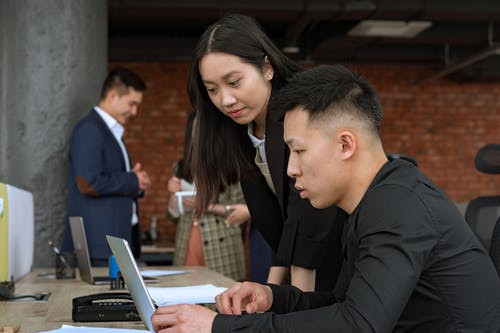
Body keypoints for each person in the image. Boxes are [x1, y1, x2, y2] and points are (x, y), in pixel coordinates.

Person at [150, 65, 500, 332]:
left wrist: (216, 326)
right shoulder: (373, 201)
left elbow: (358, 325)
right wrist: (274, 297)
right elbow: (343, 303)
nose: (290, 169)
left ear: (345, 144)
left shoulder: (399, 207)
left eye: (298, 151)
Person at [187, 13, 346, 292]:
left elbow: (307, 214)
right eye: (212, 89)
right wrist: (271, 295)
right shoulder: (242, 130)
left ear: (267, 68)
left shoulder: (304, 111)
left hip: (346, 260)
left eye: (234, 82)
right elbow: (283, 226)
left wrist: (288, 301)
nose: (225, 100)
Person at [62, 66, 151, 265]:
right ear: (112, 96)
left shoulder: (109, 132)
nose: (135, 111)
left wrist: (136, 182)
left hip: (113, 244)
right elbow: (88, 182)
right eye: (132, 103)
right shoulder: (89, 130)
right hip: (99, 247)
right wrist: (131, 180)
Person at [167, 113, 249, 281]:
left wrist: (206, 205)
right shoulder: (181, 167)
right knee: (186, 297)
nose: (201, 134)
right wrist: (172, 195)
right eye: (197, 129)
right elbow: (173, 215)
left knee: (221, 301)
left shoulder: (231, 165)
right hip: (187, 239)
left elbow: (244, 210)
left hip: (222, 245)